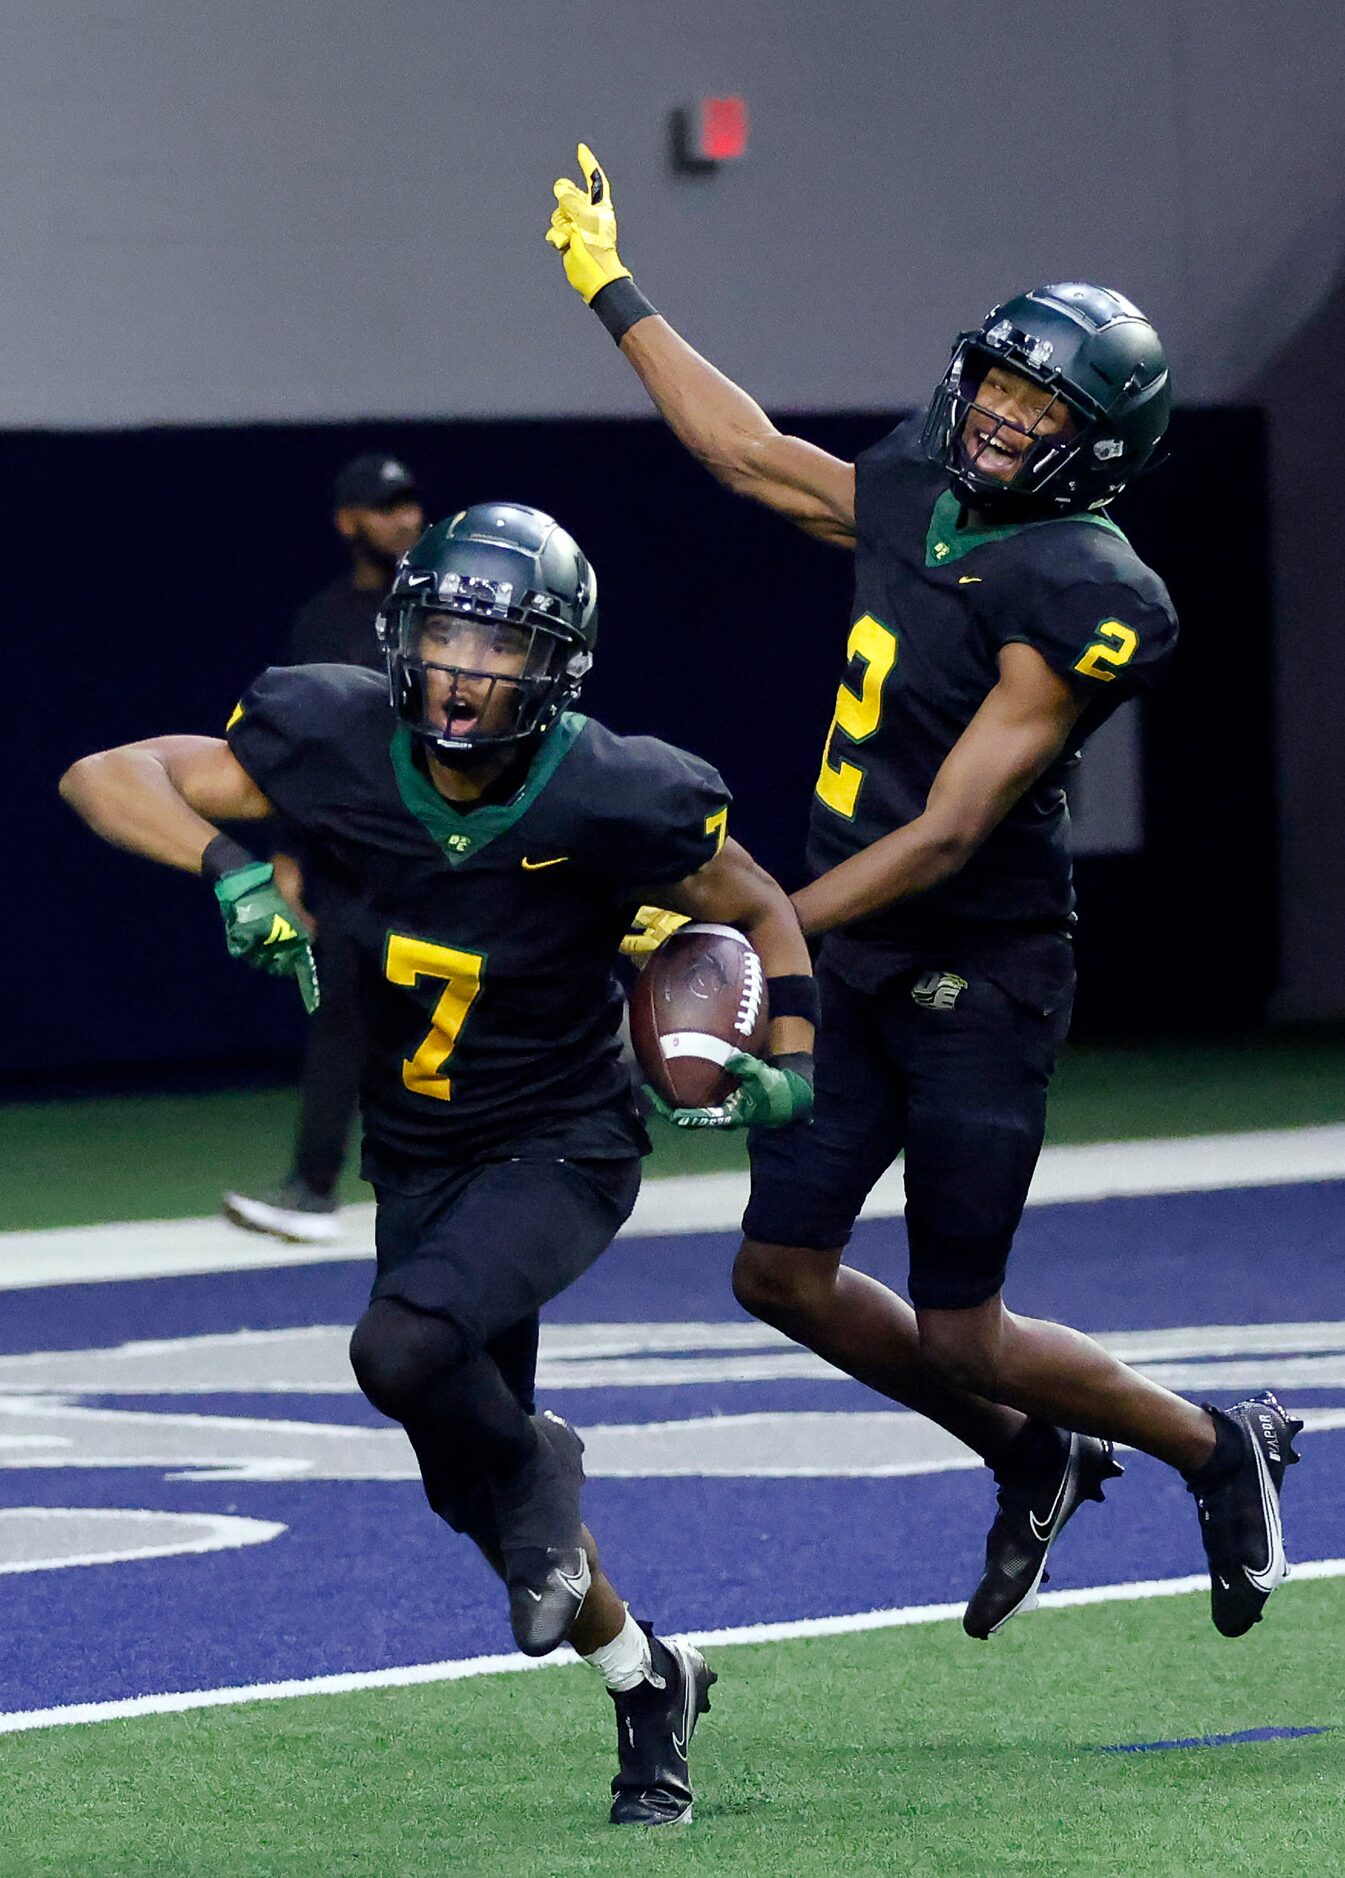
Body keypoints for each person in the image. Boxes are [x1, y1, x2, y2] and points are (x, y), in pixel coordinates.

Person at [543, 144, 1302, 1642]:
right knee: (779, 1271)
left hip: (980, 967)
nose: (1004, 419)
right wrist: (608, 284)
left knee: (965, 1321)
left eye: (1043, 411)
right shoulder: (916, 490)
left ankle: (1215, 1445)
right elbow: (746, 451)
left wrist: (765, 927)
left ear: (1101, 449)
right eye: (1000, 389)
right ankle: (1031, 1453)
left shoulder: (1087, 588)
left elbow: (955, 829)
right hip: (850, 936)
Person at [60, 502, 817, 1826]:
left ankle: (545, 1463)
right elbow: (106, 772)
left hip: (560, 1143)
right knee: (476, 1497)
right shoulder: (334, 730)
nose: (465, 672)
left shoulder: (613, 789)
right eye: (447, 636)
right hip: (414, 1154)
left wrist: (788, 1055)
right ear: (403, 637)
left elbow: (756, 902)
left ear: (556, 666)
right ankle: (650, 1679)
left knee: (401, 1351)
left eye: (498, 646)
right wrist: (228, 865)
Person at [223, 454, 426, 1243]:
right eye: (384, 508)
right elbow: (301, 747)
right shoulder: (324, 621)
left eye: (409, 504)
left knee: (521, 990)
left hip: (456, 846)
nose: (403, 519)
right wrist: (286, 853)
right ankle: (312, 1190)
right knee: (341, 1012)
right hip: (355, 857)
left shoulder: (441, 607)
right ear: (349, 522)